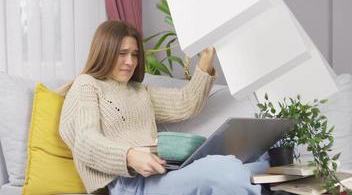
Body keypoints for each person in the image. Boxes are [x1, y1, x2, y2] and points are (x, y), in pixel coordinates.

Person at [59, 20, 261, 195]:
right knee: (225, 169)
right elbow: (85, 141)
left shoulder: (139, 91)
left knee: (260, 162)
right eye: (122, 53)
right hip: (128, 185)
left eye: (135, 54)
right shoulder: (87, 84)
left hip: (161, 172)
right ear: (105, 52)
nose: (130, 62)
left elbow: (186, 102)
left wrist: (207, 60)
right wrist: (129, 156)